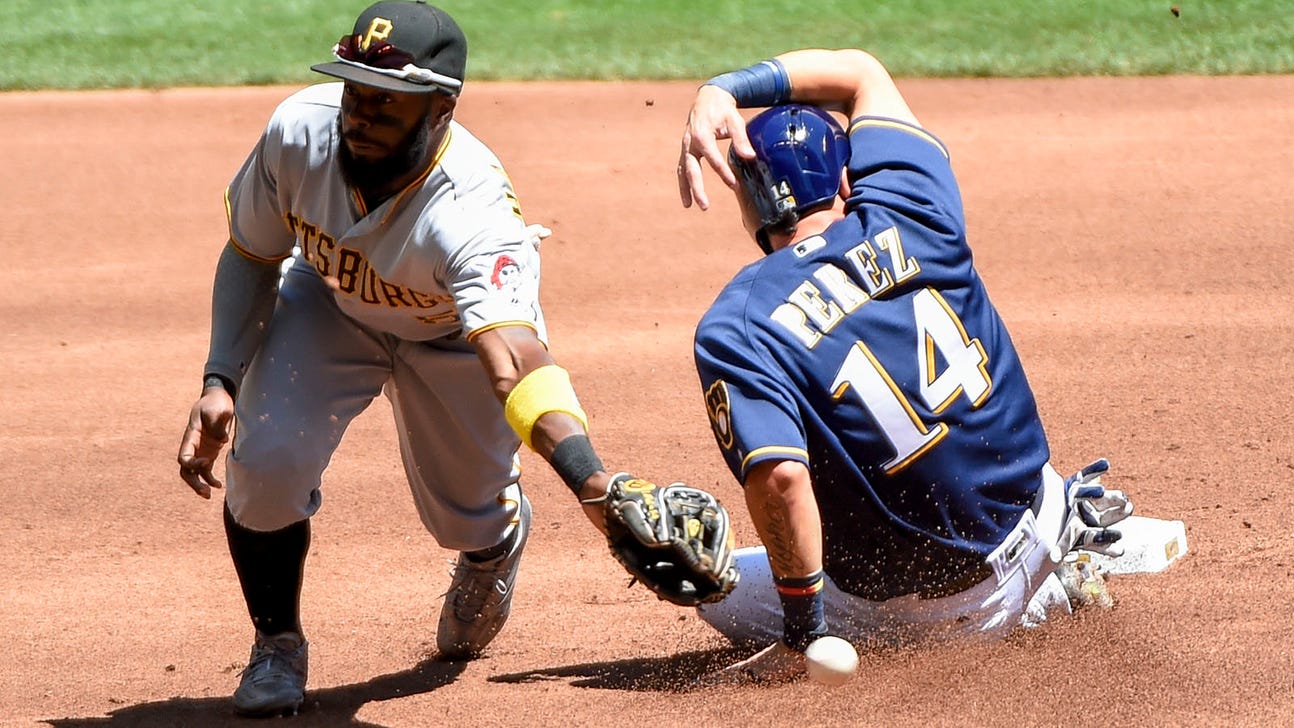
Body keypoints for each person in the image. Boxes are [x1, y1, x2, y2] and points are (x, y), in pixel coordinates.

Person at [176, 1, 651, 716]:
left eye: (386, 103)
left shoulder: (473, 210)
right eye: (355, 92)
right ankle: (277, 643)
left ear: (440, 109)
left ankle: (491, 546)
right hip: (330, 304)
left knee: (465, 519)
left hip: (449, 336)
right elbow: (252, 252)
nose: (359, 115)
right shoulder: (298, 131)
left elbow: (513, 358)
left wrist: (591, 480)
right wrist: (220, 378)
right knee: (267, 464)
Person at [675, 48, 1135, 684]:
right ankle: (1058, 569)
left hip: (933, 618)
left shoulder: (739, 323)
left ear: (751, 206)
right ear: (845, 180)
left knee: (712, 585)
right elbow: (861, 73)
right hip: (1038, 525)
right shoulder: (909, 203)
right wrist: (723, 88)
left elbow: (781, 480)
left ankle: (993, 617)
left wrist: (804, 635)